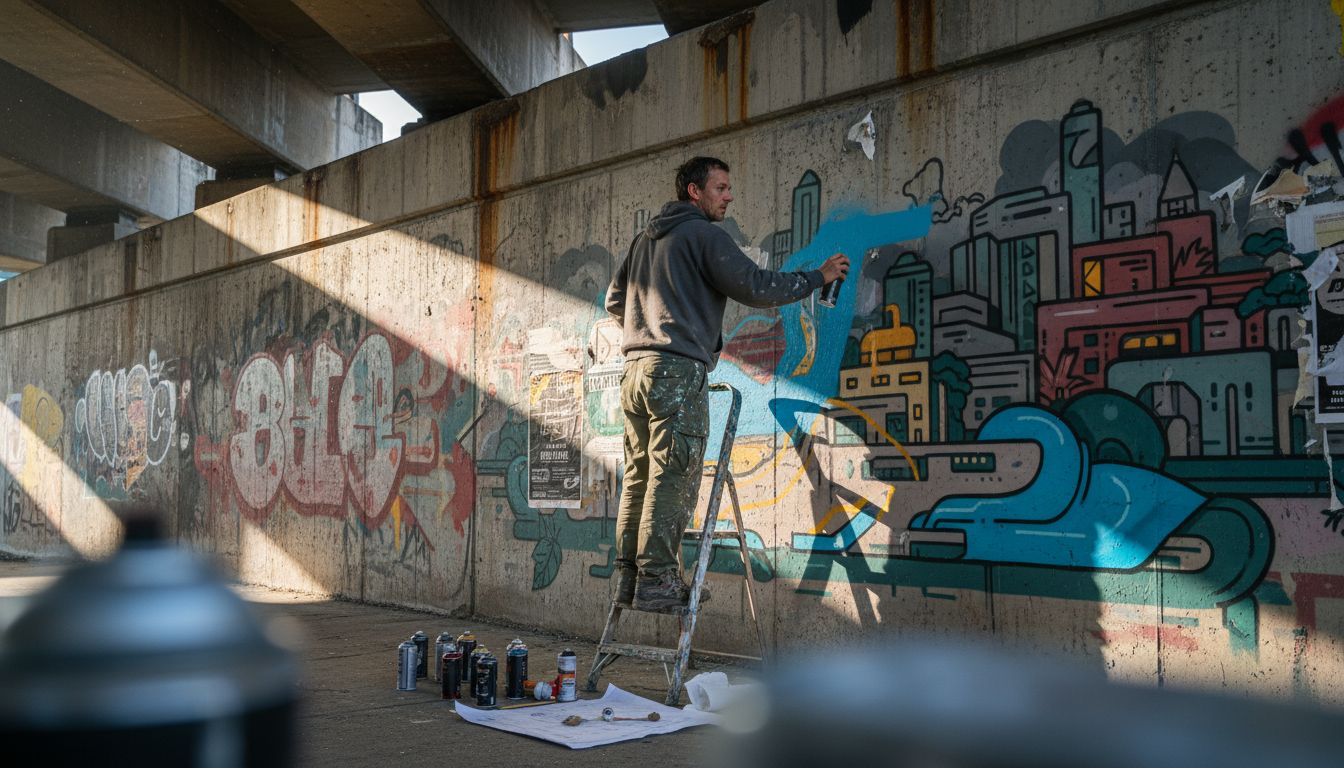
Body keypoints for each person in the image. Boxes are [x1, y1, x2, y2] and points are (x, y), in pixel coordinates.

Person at [604, 156, 850, 612]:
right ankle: (657, 581)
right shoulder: (703, 236)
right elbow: (756, 287)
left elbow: (614, 300)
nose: (729, 196)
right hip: (675, 372)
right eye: (721, 188)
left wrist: (648, 330)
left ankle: (629, 579)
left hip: (635, 371)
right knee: (672, 476)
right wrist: (819, 277)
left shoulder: (645, 239)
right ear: (694, 192)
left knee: (639, 475)